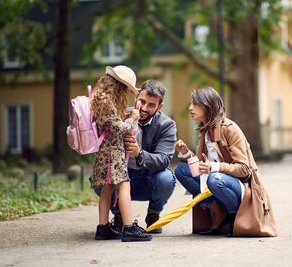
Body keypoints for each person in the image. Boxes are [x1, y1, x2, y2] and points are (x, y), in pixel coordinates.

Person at [174, 87, 277, 237]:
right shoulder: (204, 131)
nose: (190, 108)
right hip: (215, 181)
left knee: (214, 178)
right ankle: (217, 210)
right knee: (181, 170)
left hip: (241, 185)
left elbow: (244, 169)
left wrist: (213, 167)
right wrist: (185, 153)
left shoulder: (229, 129)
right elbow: (200, 166)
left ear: (208, 106)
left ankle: (234, 216)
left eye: (195, 104)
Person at [94, 79, 177, 234]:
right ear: (136, 97)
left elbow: (164, 160)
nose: (144, 108)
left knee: (166, 179)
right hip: (119, 176)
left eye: (151, 105)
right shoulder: (120, 114)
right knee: (98, 179)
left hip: (146, 179)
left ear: (159, 107)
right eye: (142, 101)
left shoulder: (167, 125)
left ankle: (153, 214)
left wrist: (139, 153)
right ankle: (119, 216)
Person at [90, 65, 152, 242]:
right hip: (112, 154)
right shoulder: (107, 102)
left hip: (104, 152)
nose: (126, 92)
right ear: (118, 85)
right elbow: (117, 128)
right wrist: (132, 118)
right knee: (124, 185)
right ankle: (129, 227)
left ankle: (102, 227)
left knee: (107, 188)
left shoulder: (99, 99)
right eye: (125, 88)